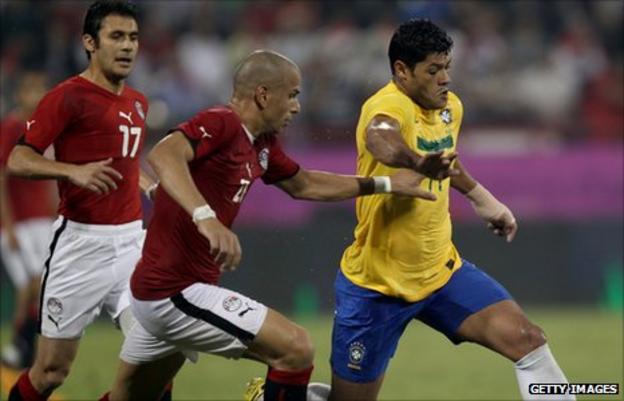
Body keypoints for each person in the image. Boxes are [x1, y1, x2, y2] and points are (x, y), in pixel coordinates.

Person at [102, 50, 455, 401]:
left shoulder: (261, 144)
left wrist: (386, 184)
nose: (297, 107)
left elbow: (304, 184)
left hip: (168, 292)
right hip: (173, 291)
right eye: (292, 95)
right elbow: (163, 155)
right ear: (263, 95)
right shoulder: (222, 122)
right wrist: (205, 218)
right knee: (295, 349)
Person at [328, 19, 574, 401]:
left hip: (441, 273)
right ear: (401, 71)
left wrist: (481, 198)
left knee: (528, 341)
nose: (444, 79)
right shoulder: (386, 105)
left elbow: (447, 162)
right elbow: (381, 140)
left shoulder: (449, 108)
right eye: (432, 70)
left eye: (447, 67)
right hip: (376, 287)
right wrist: (414, 161)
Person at [6, 2, 161, 400]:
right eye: (116, 36)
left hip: (131, 243)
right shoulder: (67, 97)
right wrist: (72, 171)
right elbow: (19, 158)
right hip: (79, 246)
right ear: (89, 43)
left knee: (158, 355)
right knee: (51, 372)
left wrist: (148, 184)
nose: (127, 46)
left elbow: (123, 163)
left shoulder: (139, 102)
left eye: (133, 37)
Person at [1, 71, 56, 370]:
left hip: (40, 221)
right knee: (31, 283)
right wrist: (7, 225)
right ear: (20, 93)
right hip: (17, 222)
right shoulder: (11, 127)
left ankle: (24, 347)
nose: (35, 95)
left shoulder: (45, 129)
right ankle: (17, 344)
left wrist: (55, 212)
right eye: (30, 89)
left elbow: (48, 176)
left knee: (43, 284)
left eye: (40, 89)